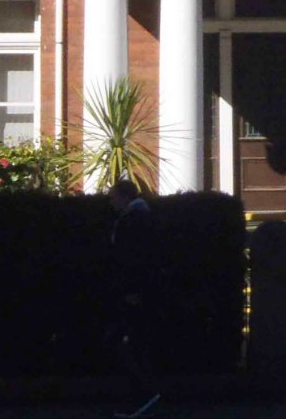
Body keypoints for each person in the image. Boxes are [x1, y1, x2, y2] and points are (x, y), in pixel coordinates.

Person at [107, 179, 159, 418]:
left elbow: (133, 258)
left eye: (113, 197)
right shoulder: (140, 217)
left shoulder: (132, 220)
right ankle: (141, 392)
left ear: (123, 197)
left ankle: (142, 393)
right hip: (137, 290)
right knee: (134, 341)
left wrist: (132, 289)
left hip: (133, 292)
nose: (111, 202)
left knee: (125, 342)